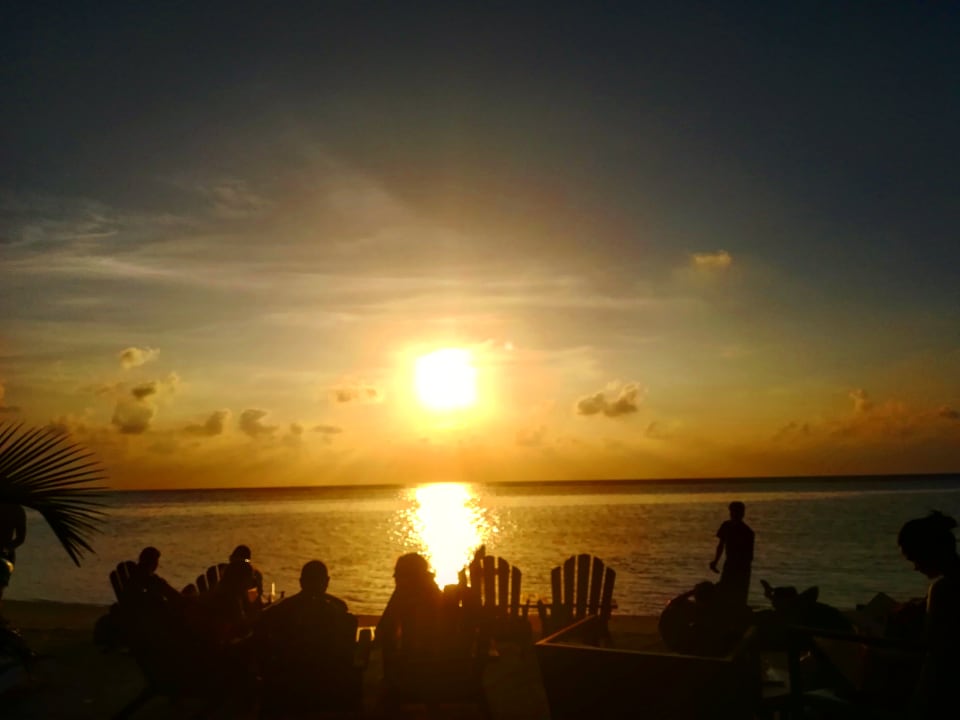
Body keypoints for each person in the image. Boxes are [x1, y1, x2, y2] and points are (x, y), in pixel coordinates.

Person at [255, 561, 358, 714]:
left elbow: (264, 638)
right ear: (327, 582)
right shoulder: (338, 612)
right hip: (326, 680)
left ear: (301, 582)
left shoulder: (282, 610)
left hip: (288, 678)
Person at [898, 510, 960, 714]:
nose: (915, 567)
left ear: (928, 553)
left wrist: (910, 623)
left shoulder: (943, 589)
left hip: (944, 688)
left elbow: (932, 644)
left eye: (914, 559)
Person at [375, 553, 444, 682]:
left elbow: (384, 627)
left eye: (399, 574)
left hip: (418, 662)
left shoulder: (412, 597)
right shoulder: (431, 591)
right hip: (435, 660)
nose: (395, 578)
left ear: (412, 577)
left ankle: (390, 683)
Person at [709, 501, 754, 608]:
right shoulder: (726, 526)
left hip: (741, 567)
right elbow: (721, 545)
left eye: (737, 512)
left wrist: (716, 562)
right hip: (730, 564)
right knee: (726, 590)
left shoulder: (747, 532)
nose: (734, 514)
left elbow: (749, 555)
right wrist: (715, 561)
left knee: (738, 593)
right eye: (733, 511)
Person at [0, 504, 26, 610]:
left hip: (5, 554)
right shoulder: (17, 509)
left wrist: (7, 548)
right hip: (6, 553)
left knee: (0, 586)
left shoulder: (16, 509)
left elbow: (20, 538)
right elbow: (20, 538)